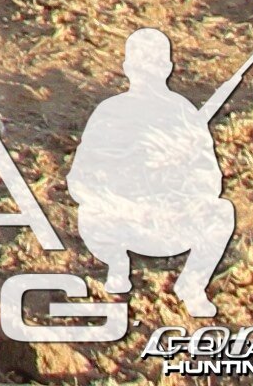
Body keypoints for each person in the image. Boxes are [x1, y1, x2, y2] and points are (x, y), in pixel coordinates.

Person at [68, 25, 239, 316]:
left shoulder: (184, 114)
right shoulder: (110, 112)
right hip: (119, 221)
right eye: (142, 64)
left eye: (153, 63)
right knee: (88, 210)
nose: (147, 71)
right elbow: (79, 180)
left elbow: (210, 182)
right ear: (128, 68)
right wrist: (120, 190)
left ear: (166, 67)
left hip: (168, 223)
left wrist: (173, 184)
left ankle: (192, 285)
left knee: (221, 212)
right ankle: (117, 265)